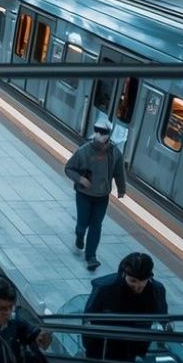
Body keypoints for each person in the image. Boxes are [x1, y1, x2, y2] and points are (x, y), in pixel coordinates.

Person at [64, 115, 126, 271]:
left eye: (103, 131)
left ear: (108, 134)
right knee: (82, 224)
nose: (100, 134)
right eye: (97, 131)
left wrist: (121, 188)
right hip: (84, 195)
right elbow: (69, 168)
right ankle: (79, 235)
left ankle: (91, 256)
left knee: (96, 226)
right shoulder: (83, 152)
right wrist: (80, 179)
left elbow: (119, 172)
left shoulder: (114, 153)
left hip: (102, 197)